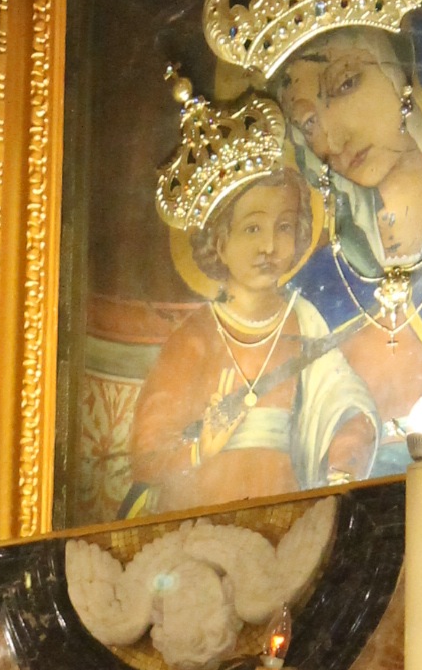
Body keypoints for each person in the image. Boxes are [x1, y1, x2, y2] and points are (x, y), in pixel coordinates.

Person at [128, 127, 379, 517]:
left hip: (285, 510)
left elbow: (345, 404)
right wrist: (201, 447)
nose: (269, 246)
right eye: (252, 228)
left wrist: (343, 462)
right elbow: (147, 453)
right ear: (220, 242)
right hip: (203, 516)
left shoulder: (304, 320)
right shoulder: (195, 338)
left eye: (284, 227)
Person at [276, 15, 422, 472]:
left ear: (404, 71)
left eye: (346, 83)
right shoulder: (319, 284)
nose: (334, 138)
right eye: (308, 122)